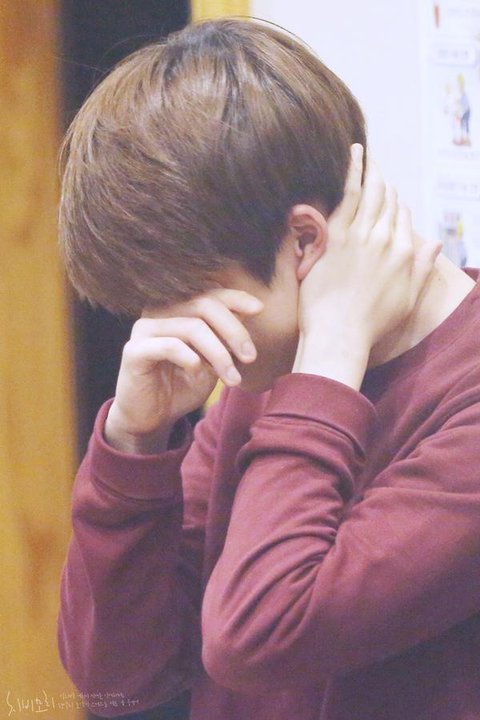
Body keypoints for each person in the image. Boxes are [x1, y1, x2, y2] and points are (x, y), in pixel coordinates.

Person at [57, 18, 480, 720]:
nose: (161, 327)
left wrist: (330, 360)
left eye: (179, 291)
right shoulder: (271, 374)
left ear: (306, 241)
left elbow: (258, 635)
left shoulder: (355, 382)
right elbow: (118, 676)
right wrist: (132, 445)